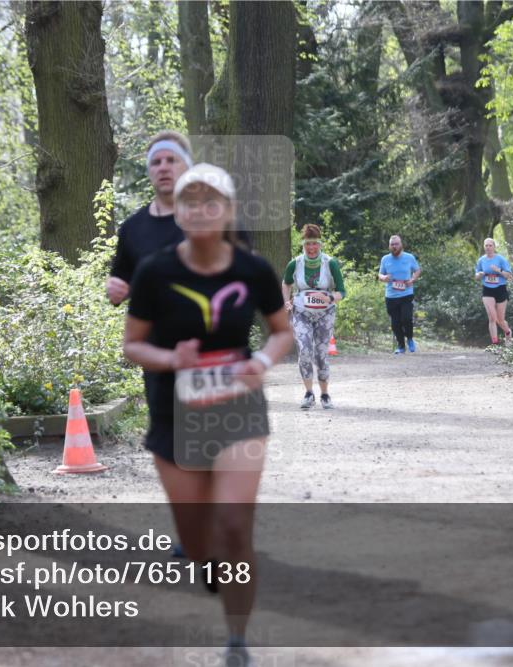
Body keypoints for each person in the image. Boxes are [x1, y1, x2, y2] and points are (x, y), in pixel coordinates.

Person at [123, 163, 292, 667]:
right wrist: (172, 359)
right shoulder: (155, 271)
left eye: (210, 201)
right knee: (198, 543)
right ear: (179, 211)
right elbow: (132, 345)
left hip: (238, 409)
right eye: (190, 201)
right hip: (174, 414)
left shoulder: (252, 269)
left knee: (236, 524)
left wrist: (260, 362)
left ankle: (237, 641)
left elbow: (281, 331)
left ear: (228, 211)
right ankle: (207, 559)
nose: (200, 209)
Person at [107, 131, 195, 306]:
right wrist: (114, 289)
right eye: (156, 162)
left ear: (188, 166)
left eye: (171, 160)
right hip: (148, 333)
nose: (163, 167)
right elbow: (120, 285)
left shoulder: (215, 221)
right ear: (149, 170)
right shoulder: (131, 228)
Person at [281, 224, 346, 409]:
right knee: (304, 350)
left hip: (325, 313)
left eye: (315, 244)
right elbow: (286, 283)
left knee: (321, 353)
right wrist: (286, 301)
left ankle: (325, 394)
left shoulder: (330, 263)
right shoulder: (295, 263)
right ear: (303, 245)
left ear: (320, 244)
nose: (311, 248)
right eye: (308, 244)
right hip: (301, 312)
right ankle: (309, 393)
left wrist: (329, 296)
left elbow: (342, 292)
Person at [378, 235, 421, 354]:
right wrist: (384, 277)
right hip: (391, 296)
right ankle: (401, 346)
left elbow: (417, 270)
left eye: (396, 244)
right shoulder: (385, 259)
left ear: (401, 245)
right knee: (395, 323)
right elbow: (380, 275)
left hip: (406, 294)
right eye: (392, 244)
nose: (394, 246)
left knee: (406, 318)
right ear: (389, 246)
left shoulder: (409, 257)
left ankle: (410, 338)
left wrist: (412, 280)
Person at [474, 237, 513, 344]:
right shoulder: (481, 260)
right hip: (487, 290)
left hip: (500, 289)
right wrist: (480, 274)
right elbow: (476, 276)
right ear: (484, 247)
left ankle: (508, 332)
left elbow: (509, 276)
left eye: (490, 245)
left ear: (494, 247)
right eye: (486, 245)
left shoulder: (501, 259)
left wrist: (498, 270)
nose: (488, 247)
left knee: (500, 320)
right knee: (492, 317)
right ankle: (495, 342)